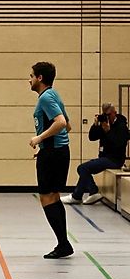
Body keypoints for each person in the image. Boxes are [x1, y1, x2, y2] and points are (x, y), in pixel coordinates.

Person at [29, 61, 73, 259]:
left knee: (46, 197)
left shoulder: (46, 97)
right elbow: (68, 126)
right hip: (58, 151)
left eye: (31, 76)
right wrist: (46, 147)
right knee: (53, 196)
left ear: (40, 78)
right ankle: (64, 244)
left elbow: (61, 123)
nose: (29, 80)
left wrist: (40, 139)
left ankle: (63, 244)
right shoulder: (54, 95)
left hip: (54, 153)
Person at [62, 102, 129, 205]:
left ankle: (91, 192)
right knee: (85, 170)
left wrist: (108, 131)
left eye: (109, 115)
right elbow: (92, 137)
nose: (107, 117)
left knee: (83, 168)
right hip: (105, 157)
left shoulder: (121, 126)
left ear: (114, 113)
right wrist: (95, 125)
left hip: (115, 159)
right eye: (105, 115)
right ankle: (78, 196)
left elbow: (119, 144)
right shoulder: (104, 123)